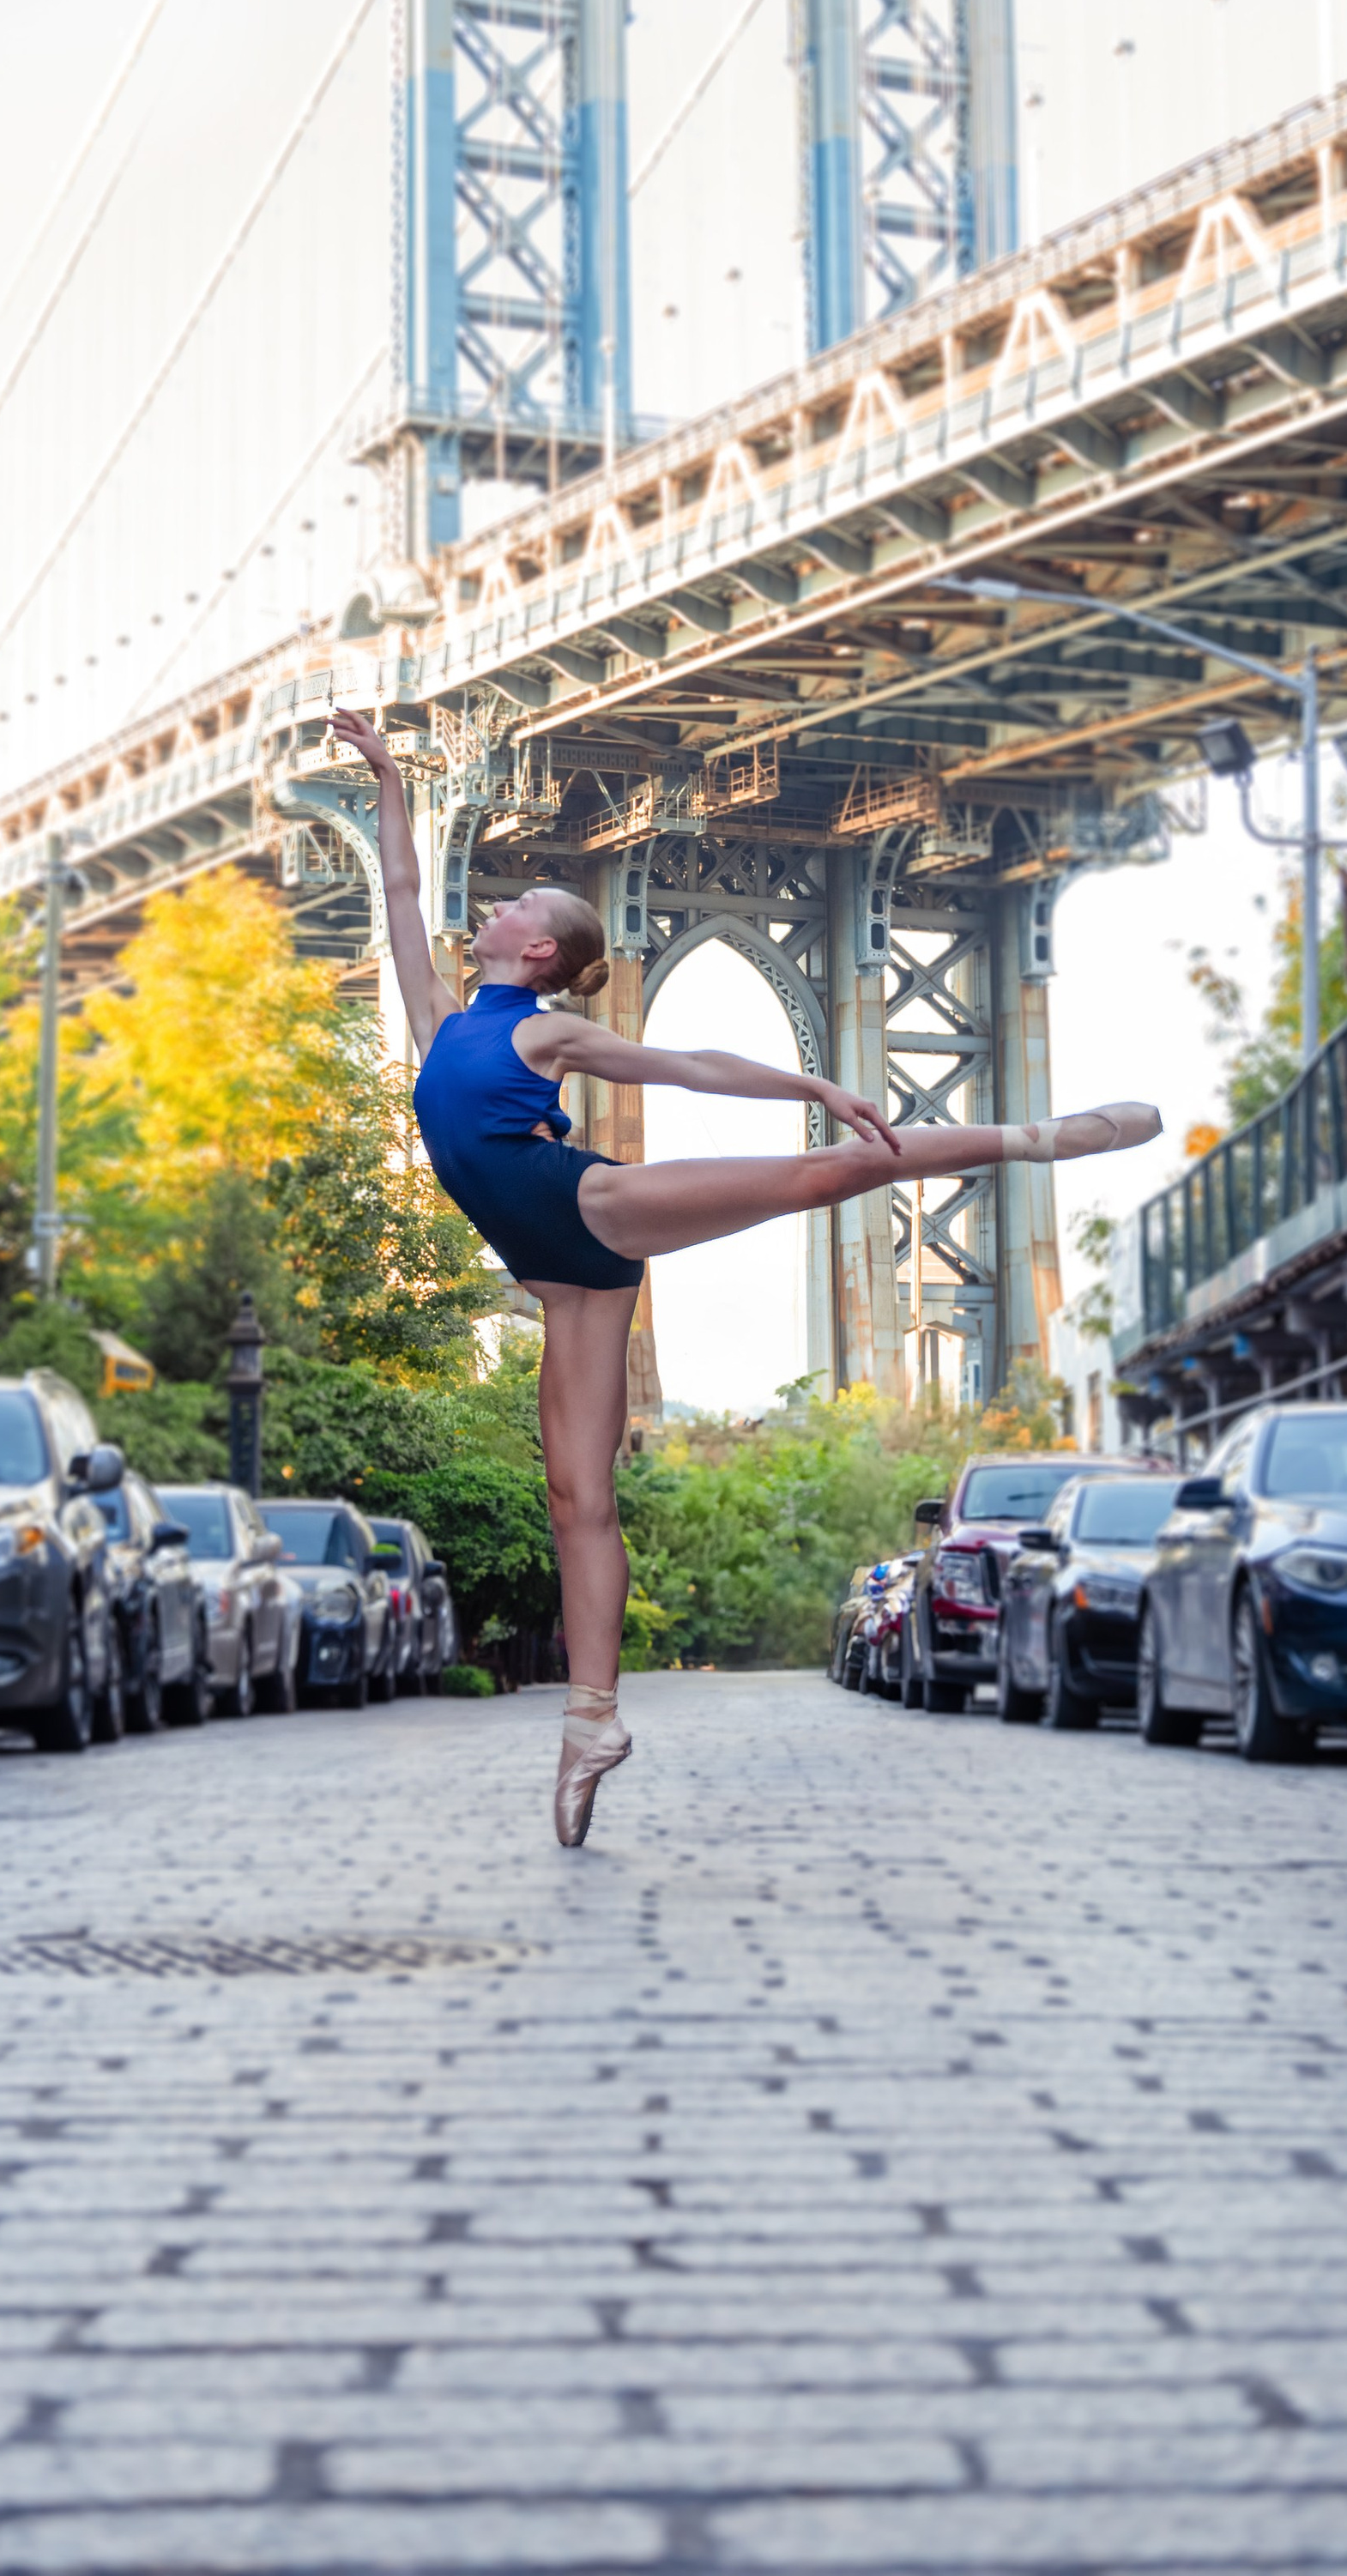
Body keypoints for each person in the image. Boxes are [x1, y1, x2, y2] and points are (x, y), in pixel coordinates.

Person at [328, 706, 1159, 1847]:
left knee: (809, 1179)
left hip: (586, 1205)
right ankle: (591, 1724)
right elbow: (404, 899)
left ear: (539, 956)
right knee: (578, 1502)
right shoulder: (444, 1023)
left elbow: (684, 1062)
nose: (503, 901)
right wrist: (385, 775)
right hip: (555, 1272)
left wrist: (814, 1090)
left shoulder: (540, 1034)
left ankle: (1037, 1139)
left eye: (523, 904)